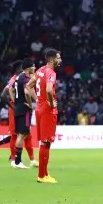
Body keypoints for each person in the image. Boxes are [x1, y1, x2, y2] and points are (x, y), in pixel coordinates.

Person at [0, 60, 35, 166]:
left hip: (20, 108)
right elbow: (4, 95)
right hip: (17, 108)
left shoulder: (20, 78)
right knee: (16, 134)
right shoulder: (15, 79)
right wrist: (13, 107)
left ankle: (23, 158)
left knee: (23, 133)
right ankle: (14, 158)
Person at [34, 48, 61, 184]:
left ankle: (44, 173)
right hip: (47, 110)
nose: (60, 60)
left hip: (39, 108)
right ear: (51, 59)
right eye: (58, 58)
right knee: (46, 142)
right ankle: (42, 175)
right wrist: (50, 103)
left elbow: (28, 86)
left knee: (45, 142)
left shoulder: (39, 70)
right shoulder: (51, 72)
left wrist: (38, 99)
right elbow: (49, 89)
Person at [11, 59, 37, 170]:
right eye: (33, 66)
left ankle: (17, 160)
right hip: (24, 109)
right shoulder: (26, 78)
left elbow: (11, 90)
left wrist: (16, 103)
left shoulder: (18, 78)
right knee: (22, 135)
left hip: (18, 109)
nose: (35, 67)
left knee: (22, 135)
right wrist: (34, 102)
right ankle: (17, 161)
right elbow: (27, 91)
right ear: (28, 68)